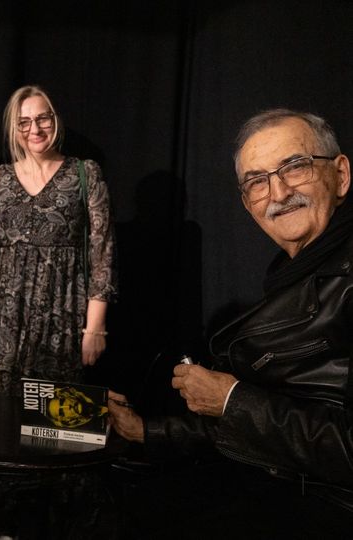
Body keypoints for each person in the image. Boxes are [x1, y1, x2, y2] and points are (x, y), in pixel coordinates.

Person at [109, 109, 353, 538]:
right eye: (257, 181)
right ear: (246, 202)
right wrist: (145, 430)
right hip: (274, 482)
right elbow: (274, 406)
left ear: (341, 175)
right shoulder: (294, 274)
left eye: (295, 167)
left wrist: (232, 399)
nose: (278, 192)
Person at [0, 85, 117, 396]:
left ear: (55, 120)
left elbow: (103, 255)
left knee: (51, 417)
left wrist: (95, 328)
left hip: (60, 321)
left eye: (43, 118)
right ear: (13, 129)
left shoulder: (85, 174)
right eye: (24, 122)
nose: (35, 129)